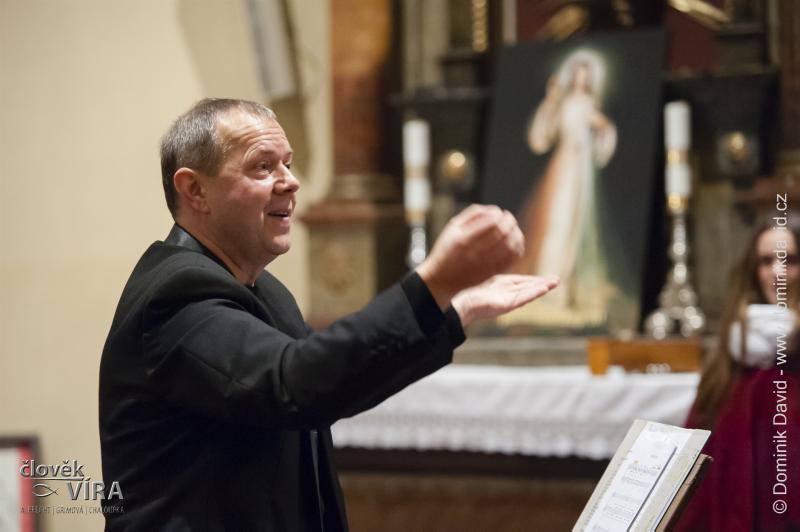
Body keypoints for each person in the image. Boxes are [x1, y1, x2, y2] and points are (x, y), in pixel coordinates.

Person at [98, 98, 559, 531]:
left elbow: (327, 386)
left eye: (288, 163)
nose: (290, 181)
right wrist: (431, 284)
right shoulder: (175, 296)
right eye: (263, 166)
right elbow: (293, 386)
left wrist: (454, 310)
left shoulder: (264, 290)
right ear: (195, 189)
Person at [676, 219, 800, 531]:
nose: (777, 272)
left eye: (790, 260)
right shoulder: (731, 358)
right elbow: (697, 459)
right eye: (766, 261)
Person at [516, 50, 616, 318]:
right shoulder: (563, 103)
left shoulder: (589, 103)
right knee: (556, 222)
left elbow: (605, 130)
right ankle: (550, 282)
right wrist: (550, 102)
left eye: (586, 74)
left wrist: (602, 135)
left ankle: (567, 284)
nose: (581, 78)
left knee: (576, 224)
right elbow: (541, 137)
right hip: (564, 167)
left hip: (581, 171)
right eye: (578, 73)